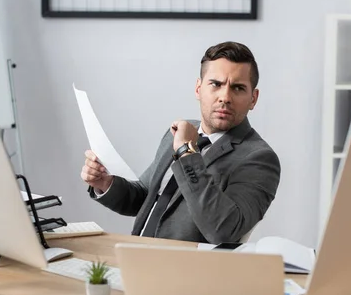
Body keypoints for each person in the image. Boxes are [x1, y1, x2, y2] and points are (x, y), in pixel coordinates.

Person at [80, 41, 281, 244]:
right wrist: (105, 184)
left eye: (237, 88)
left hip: (187, 271)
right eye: (216, 84)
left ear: (253, 98)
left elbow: (224, 231)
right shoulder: (177, 133)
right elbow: (143, 198)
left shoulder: (259, 159)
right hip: (136, 255)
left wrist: (187, 152)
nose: (225, 97)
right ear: (198, 89)